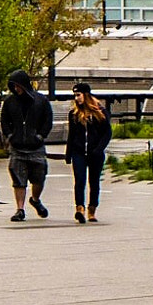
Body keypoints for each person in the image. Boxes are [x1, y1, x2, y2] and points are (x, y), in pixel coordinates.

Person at [0, 69, 52, 220]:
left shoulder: (41, 101)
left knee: (39, 178)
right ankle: (20, 209)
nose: (16, 89)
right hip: (17, 147)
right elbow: (4, 121)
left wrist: (41, 136)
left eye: (18, 86)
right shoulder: (10, 102)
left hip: (36, 147)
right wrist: (10, 135)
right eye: (13, 86)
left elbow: (47, 120)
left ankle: (35, 200)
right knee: (18, 180)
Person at [64, 82, 112, 223]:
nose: (77, 98)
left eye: (79, 95)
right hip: (78, 152)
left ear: (86, 95)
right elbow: (71, 135)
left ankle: (92, 209)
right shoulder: (73, 114)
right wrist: (68, 153)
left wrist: (98, 149)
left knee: (94, 181)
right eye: (75, 96)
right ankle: (80, 209)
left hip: (95, 153)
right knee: (79, 180)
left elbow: (107, 133)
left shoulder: (100, 112)